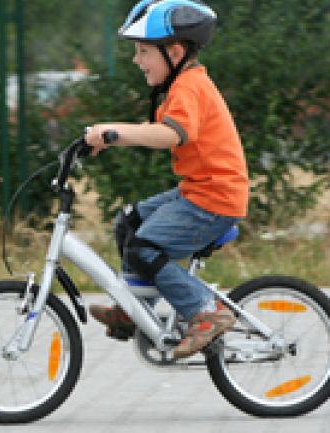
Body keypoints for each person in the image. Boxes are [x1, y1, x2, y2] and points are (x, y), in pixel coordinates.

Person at [84, 0, 249, 359]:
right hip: (198, 191)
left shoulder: (190, 86)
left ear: (174, 52)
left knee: (144, 247)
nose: (136, 60)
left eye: (143, 51)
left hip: (214, 199)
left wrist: (115, 133)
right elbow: (159, 131)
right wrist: (109, 138)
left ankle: (206, 311)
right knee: (128, 223)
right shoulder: (183, 86)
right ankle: (134, 310)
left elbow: (170, 135)